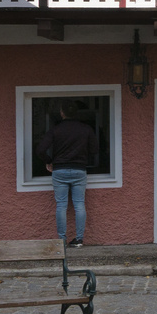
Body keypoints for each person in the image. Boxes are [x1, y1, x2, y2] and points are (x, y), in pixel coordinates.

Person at [35, 101, 98, 247]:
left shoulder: (55, 130)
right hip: (79, 170)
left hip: (60, 170)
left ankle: (62, 240)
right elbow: (95, 150)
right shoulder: (86, 129)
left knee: (61, 206)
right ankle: (79, 239)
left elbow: (40, 150)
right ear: (76, 113)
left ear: (62, 113)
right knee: (79, 205)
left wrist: (49, 161)